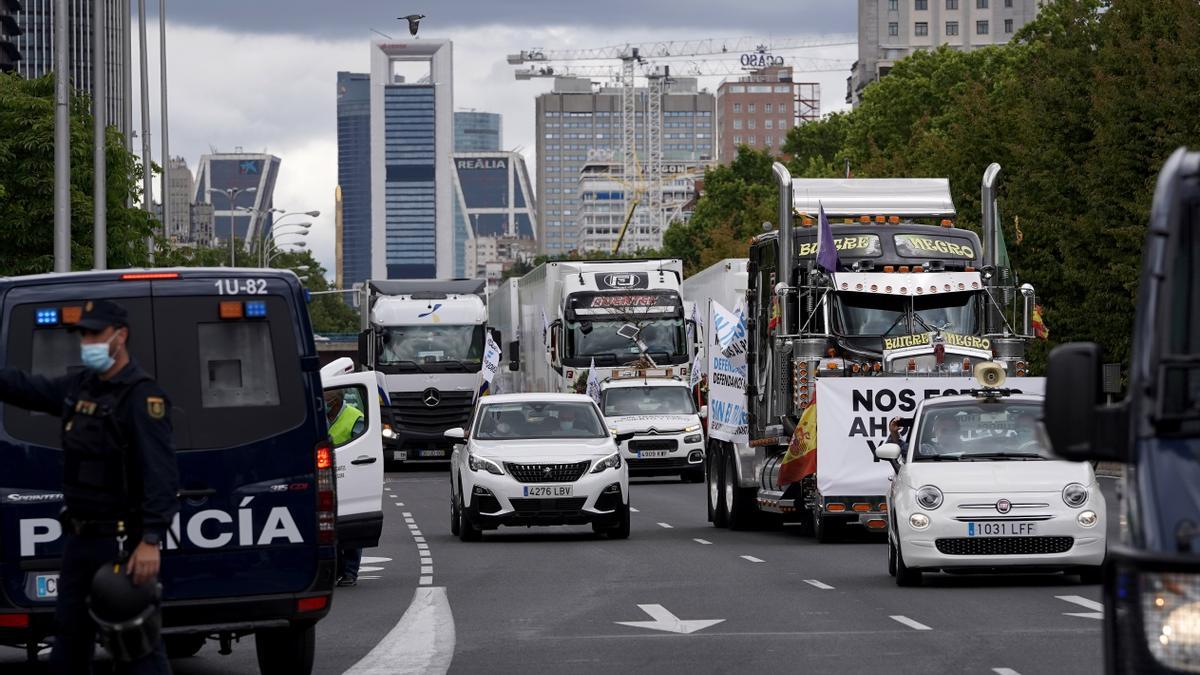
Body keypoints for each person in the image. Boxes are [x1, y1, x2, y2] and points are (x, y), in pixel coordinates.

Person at [0, 299, 178, 674]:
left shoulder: (142, 398)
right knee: (68, 643)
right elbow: (26, 388)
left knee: (136, 646)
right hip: (80, 542)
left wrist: (149, 540)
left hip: (123, 545)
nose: (87, 342)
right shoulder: (80, 387)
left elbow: (160, 473)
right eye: (83, 334)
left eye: (94, 333)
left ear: (120, 336)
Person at [325, 390, 365, 587]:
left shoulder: (354, 417)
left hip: (349, 476)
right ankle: (337, 570)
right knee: (330, 527)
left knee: (351, 526)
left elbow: (360, 446)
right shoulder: (321, 416)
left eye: (326, 400)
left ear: (335, 401)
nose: (323, 403)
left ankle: (350, 572)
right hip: (326, 477)